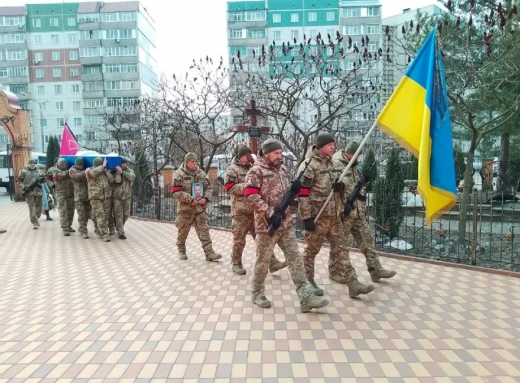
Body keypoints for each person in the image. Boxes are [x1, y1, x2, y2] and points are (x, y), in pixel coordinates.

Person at [244, 138, 329, 312]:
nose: (279, 156)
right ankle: (257, 293)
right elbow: (251, 196)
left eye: (280, 153)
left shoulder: (282, 169)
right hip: (266, 226)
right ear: (266, 153)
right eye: (276, 153)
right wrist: (269, 213)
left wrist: (295, 191)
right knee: (263, 261)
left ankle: (306, 296)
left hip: (286, 224)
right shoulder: (255, 172)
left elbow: (289, 196)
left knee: (295, 259)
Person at [298, 133, 375, 298]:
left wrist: (341, 192)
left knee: (341, 249)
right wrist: (306, 218)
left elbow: (341, 185)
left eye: (334, 144)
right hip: (317, 217)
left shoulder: (332, 163)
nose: (334, 147)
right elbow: (302, 194)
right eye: (330, 145)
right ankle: (308, 281)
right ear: (321, 147)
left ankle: (352, 282)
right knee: (311, 251)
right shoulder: (309, 165)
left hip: (334, 216)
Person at [332, 141, 396, 282]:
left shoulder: (354, 166)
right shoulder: (338, 165)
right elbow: (334, 190)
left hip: (358, 212)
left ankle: (375, 269)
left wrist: (364, 180)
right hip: (345, 213)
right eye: (357, 155)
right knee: (339, 244)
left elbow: (356, 187)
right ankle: (334, 271)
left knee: (368, 242)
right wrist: (342, 206)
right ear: (350, 153)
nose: (358, 158)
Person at [224, 146, 286, 275]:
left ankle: (272, 262)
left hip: (254, 211)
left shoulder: (254, 169)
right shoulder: (232, 169)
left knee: (261, 239)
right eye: (247, 156)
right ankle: (236, 262)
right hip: (240, 212)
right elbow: (229, 188)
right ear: (241, 156)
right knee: (239, 239)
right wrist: (246, 186)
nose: (249, 158)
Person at [171, 152, 221, 261]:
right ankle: (181, 250)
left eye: (195, 161)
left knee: (204, 230)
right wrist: (190, 200)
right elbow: (175, 191)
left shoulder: (201, 173)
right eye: (192, 162)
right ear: (186, 162)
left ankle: (209, 253)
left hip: (199, 209)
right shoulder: (178, 174)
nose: (195, 163)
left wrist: (206, 198)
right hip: (185, 210)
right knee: (183, 231)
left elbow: (209, 187)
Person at [86, 157, 115, 242]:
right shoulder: (89, 170)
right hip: (95, 197)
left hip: (106, 197)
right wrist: (102, 167)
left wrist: (106, 172)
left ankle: (98, 229)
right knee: (100, 215)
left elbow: (112, 180)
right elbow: (91, 174)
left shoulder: (104, 172)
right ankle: (104, 234)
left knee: (105, 216)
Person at [16, 158, 45, 229]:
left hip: (38, 191)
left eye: (33, 163)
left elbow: (44, 180)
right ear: (28, 164)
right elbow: (18, 181)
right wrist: (24, 187)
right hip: (29, 192)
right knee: (32, 208)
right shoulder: (23, 171)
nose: (32, 164)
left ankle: (37, 216)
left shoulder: (39, 171)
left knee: (38, 206)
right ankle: (34, 222)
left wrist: (42, 180)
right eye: (30, 163)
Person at [112, 158, 135, 240]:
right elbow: (117, 181)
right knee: (118, 215)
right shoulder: (114, 171)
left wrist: (122, 172)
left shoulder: (129, 171)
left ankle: (118, 226)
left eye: (125, 163)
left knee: (126, 214)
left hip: (127, 197)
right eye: (123, 163)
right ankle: (121, 232)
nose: (124, 165)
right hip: (117, 197)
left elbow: (132, 178)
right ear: (120, 164)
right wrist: (117, 172)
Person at [52, 158, 75, 236]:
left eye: (65, 165)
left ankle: (69, 225)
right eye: (62, 165)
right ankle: (65, 228)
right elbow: (57, 177)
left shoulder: (69, 169)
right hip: (60, 194)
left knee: (71, 211)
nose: (64, 166)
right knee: (63, 211)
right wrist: (68, 172)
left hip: (70, 193)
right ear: (58, 164)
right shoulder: (55, 170)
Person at [69, 157, 91, 239]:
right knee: (81, 214)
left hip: (88, 196)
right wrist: (85, 172)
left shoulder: (87, 168)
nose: (81, 167)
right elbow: (76, 176)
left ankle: (82, 227)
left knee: (87, 215)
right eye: (79, 165)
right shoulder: (72, 170)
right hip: (78, 197)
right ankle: (84, 231)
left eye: (82, 165)